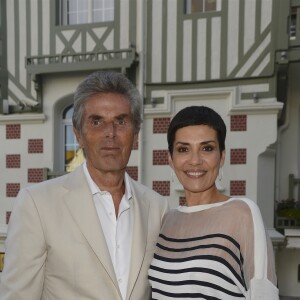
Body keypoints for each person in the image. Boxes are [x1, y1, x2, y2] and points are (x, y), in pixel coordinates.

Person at [0, 71, 169, 300]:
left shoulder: (157, 208)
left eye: (121, 121)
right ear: (78, 134)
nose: (110, 134)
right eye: (97, 121)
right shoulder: (37, 205)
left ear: (135, 133)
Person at [148, 106, 279, 299]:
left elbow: (264, 294)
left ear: (222, 156)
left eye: (207, 148)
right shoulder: (167, 220)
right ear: (170, 158)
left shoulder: (242, 213)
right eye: (183, 149)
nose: (195, 161)